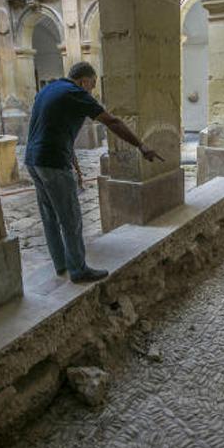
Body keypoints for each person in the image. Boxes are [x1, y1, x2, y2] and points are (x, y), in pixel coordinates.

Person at [25, 61, 164, 283]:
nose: (92, 91)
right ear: (84, 80)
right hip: (52, 161)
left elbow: (49, 127)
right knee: (70, 217)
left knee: (50, 215)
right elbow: (112, 121)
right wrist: (141, 145)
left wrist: (73, 162)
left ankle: (61, 264)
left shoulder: (49, 89)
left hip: (33, 160)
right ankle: (78, 270)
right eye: (92, 85)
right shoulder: (76, 92)